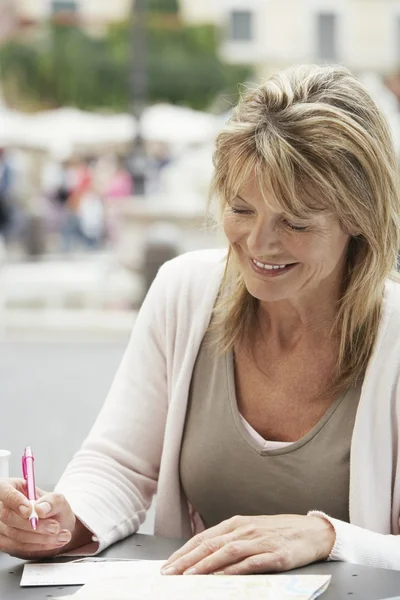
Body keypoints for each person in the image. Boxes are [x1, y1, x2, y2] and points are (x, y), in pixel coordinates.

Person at [1, 64, 400, 573]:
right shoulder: (183, 292)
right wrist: (62, 521)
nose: (258, 244)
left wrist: (328, 536)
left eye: (295, 222)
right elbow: (118, 464)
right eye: (241, 209)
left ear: (359, 219)